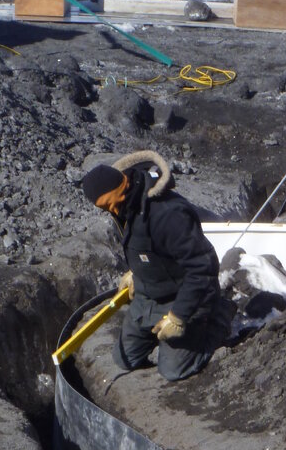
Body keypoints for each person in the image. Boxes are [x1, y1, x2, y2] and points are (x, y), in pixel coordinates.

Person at [81, 149, 234, 381]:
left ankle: (219, 315)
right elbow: (146, 246)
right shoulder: (125, 206)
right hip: (151, 294)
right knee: (124, 359)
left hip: (185, 295)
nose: (110, 211)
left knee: (172, 370)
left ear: (122, 187)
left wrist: (179, 316)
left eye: (110, 204)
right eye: (104, 208)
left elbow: (203, 266)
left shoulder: (169, 214)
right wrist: (136, 271)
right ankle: (160, 332)